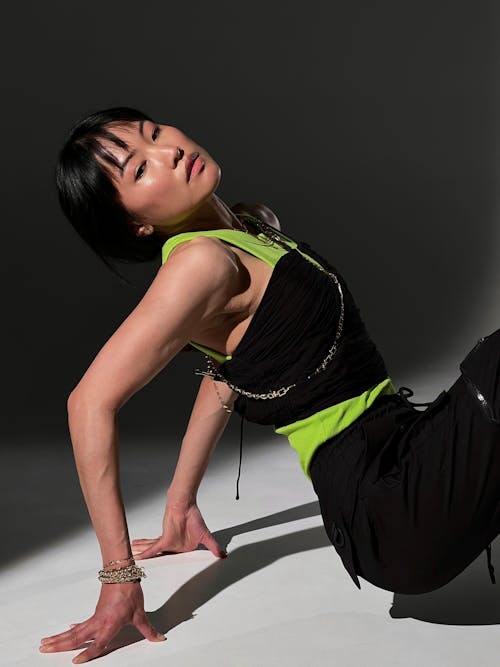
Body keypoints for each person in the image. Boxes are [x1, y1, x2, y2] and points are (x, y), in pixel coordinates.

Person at [40, 106, 500, 663]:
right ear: (135, 224)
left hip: (406, 447)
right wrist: (120, 577)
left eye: (155, 133)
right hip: (387, 508)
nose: (168, 151)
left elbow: (229, 375)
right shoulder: (200, 265)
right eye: (139, 169)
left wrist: (180, 504)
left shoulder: (250, 223)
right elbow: (88, 402)